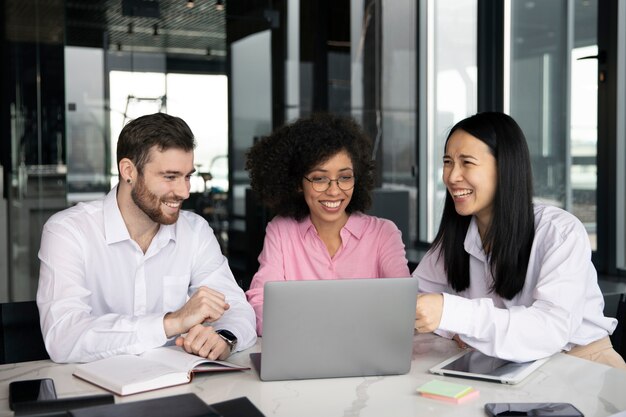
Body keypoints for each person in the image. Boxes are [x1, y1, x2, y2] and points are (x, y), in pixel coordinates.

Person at [37, 113, 256, 363]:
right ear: (129, 171)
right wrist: (171, 323)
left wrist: (224, 337)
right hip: (93, 389)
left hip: (178, 384)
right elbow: (63, 337)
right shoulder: (68, 231)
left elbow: (237, 309)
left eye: (187, 176)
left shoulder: (195, 231)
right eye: (170, 177)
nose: (184, 192)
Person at [413, 111, 626, 369]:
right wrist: (449, 325)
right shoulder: (456, 236)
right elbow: (417, 298)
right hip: (503, 368)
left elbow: (548, 331)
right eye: (448, 162)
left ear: (505, 168)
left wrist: (453, 315)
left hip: (581, 364)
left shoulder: (559, 232)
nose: (452, 176)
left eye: (466, 162)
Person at [245, 113, 411, 335]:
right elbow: (260, 300)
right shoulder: (281, 230)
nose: (334, 191)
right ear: (297, 183)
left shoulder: (383, 233)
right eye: (319, 178)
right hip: (300, 350)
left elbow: (404, 300)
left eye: (344, 177)